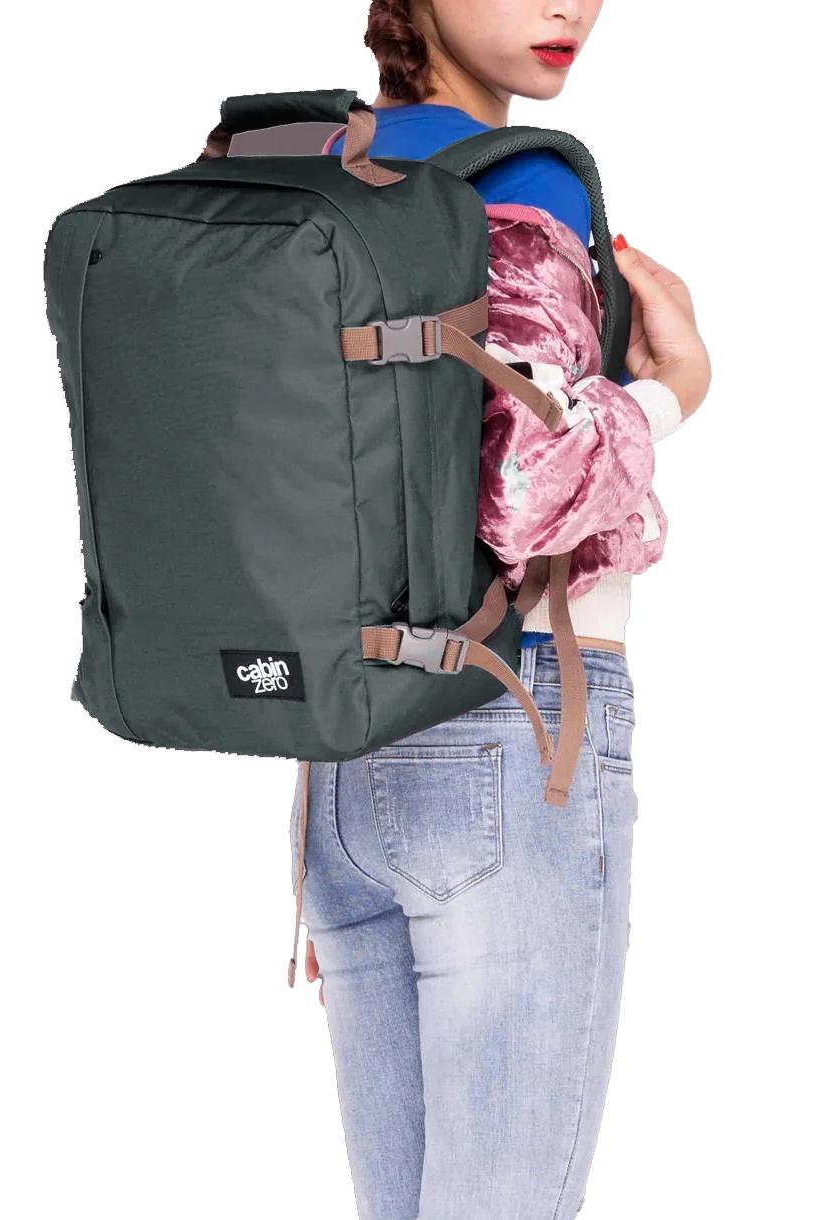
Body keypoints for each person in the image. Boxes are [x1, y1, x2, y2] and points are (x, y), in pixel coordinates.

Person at [291, 3, 711, 1216]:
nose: (568, 3)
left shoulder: (315, 173)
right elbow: (525, 488)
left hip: (343, 766)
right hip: (510, 734)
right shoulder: (520, 180)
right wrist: (673, 393)